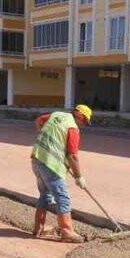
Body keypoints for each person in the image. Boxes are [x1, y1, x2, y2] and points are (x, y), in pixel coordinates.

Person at [30, 104, 92, 243]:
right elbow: (73, 156)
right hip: (51, 165)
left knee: (45, 195)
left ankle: (38, 228)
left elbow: (39, 120)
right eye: (85, 121)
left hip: (37, 158)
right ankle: (67, 231)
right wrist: (78, 177)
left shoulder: (57, 115)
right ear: (80, 116)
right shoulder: (73, 128)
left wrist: (46, 137)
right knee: (63, 197)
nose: (84, 125)